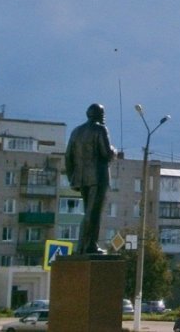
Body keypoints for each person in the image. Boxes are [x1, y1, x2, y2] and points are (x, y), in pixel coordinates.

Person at [65, 103, 117, 254]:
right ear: (100, 115)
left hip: (82, 179)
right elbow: (106, 153)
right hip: (98, 178)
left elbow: (68, 156)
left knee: (89, 212)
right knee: (93, 213)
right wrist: (114, 151)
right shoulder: (100, 129)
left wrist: (71, 179)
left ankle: (82, 246)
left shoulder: (76, 132)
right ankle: (89, 246)